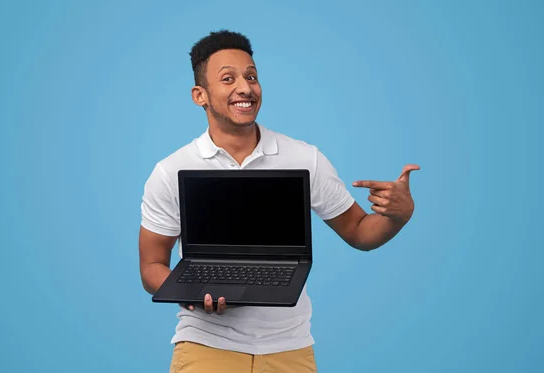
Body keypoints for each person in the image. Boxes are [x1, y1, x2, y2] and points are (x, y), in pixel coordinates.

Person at [139, 30, 420, 373]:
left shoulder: (305, 158)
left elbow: (360, 232)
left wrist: (398, 216)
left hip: (290, 349)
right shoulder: (170, 171)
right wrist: (191, 292)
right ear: (200, 95)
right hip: (205, 347)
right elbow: (152, 265)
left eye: (252, 76)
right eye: (228, 78)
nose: (245, 87)